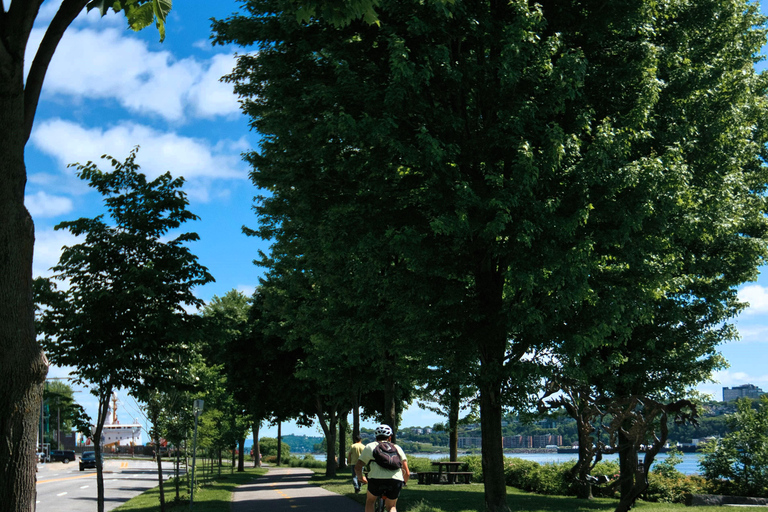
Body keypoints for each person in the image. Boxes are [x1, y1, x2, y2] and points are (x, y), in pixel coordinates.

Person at [355, 424, 410, 512]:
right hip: (395, 480)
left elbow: (358, 467)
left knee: (370, 501)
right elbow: (407, 472)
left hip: (376, 479)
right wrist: (403, 483)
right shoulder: (397, 448)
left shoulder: (370, 446)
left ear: (376, 436)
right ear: (390, 437)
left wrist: (361, 478)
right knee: (392, 506)